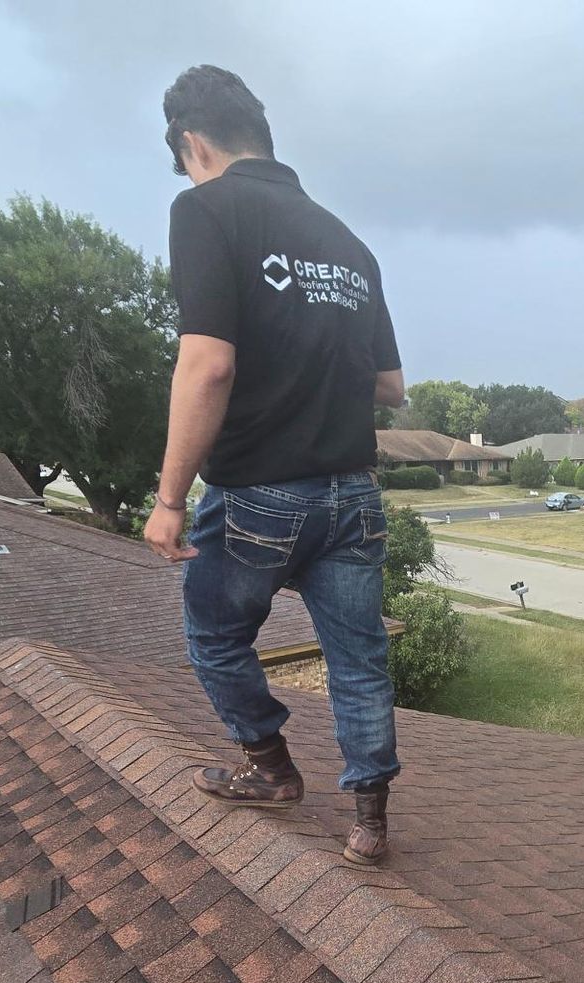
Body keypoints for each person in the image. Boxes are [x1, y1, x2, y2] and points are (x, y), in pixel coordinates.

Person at [146, 66, 404, 865]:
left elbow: (207, 368)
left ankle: (271, 769)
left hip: (261, 492)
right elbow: (391, 388)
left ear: (194, 145)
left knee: (216, 637)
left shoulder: (205, 209)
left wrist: (168, 500)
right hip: (353, 491)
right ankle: (368, 821)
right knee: (359, 659)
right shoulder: (347, 241)